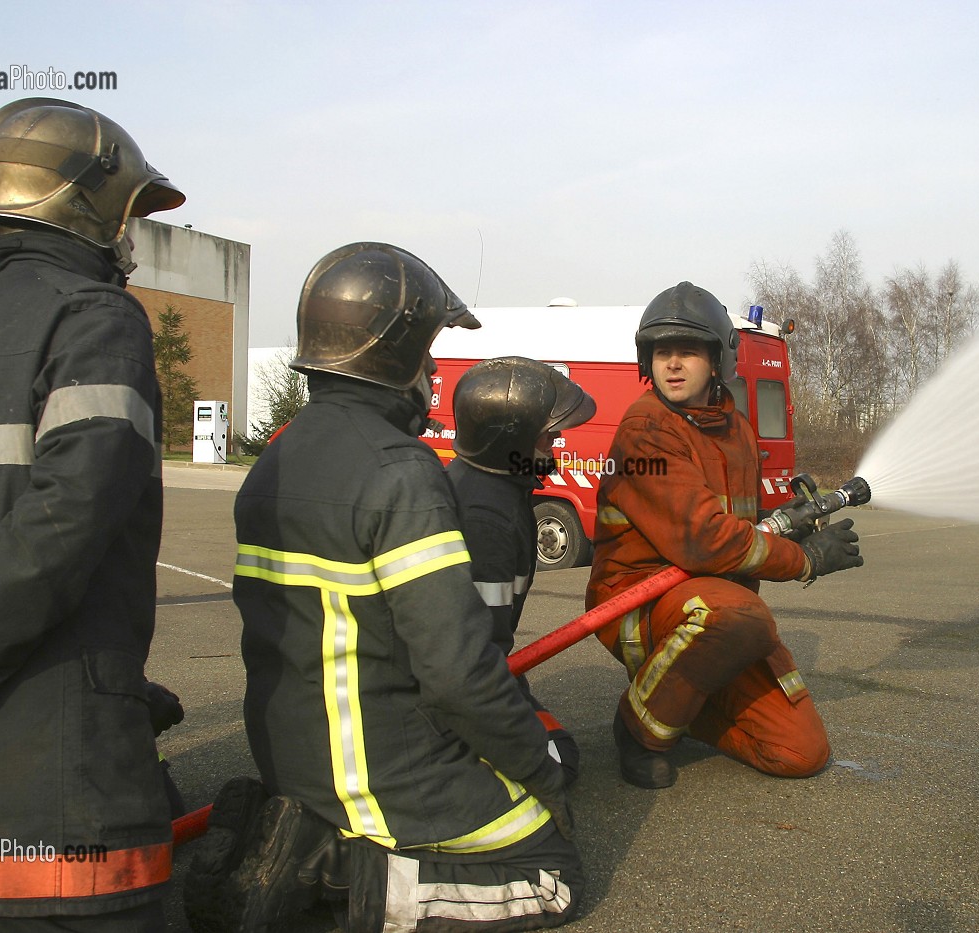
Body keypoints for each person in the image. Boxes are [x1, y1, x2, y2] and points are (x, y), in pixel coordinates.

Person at [185, 244, 580, 933]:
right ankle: (334, 875)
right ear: (396, 356)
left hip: (292, 753)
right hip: (367, 770)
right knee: (552, 868)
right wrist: (541, 772)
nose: (433, 369)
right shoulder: (401, 471)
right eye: (427, 348)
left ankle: (275, 829)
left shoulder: (279, 456)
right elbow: (458, 676)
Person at [0, 98, 184, 930]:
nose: (132, 239)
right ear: (90, 204)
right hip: (53, 816)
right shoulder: (96, 319)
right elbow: (67, 518)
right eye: (131, 215)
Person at [586, 282, 864, 789]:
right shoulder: (645, 430)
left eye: (687, 352)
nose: (672, 364)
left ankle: (680, 702)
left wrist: (792, 516)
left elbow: (744, 519)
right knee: (738, 616)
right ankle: (638, 730)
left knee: (799, 752)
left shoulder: (735, 429)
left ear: (717, 361)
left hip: (716, 605)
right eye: (661, 352)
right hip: (641, 602)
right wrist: (805, 563)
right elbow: (706, 541)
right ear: (646, 362)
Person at [446, 357, 597, 784]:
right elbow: (469, 659)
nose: (559, 440)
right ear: (508, 440)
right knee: (558, 765)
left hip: (483, 671)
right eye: (548, 434)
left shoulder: (496, 488)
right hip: (457, 692)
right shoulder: (485, 518)